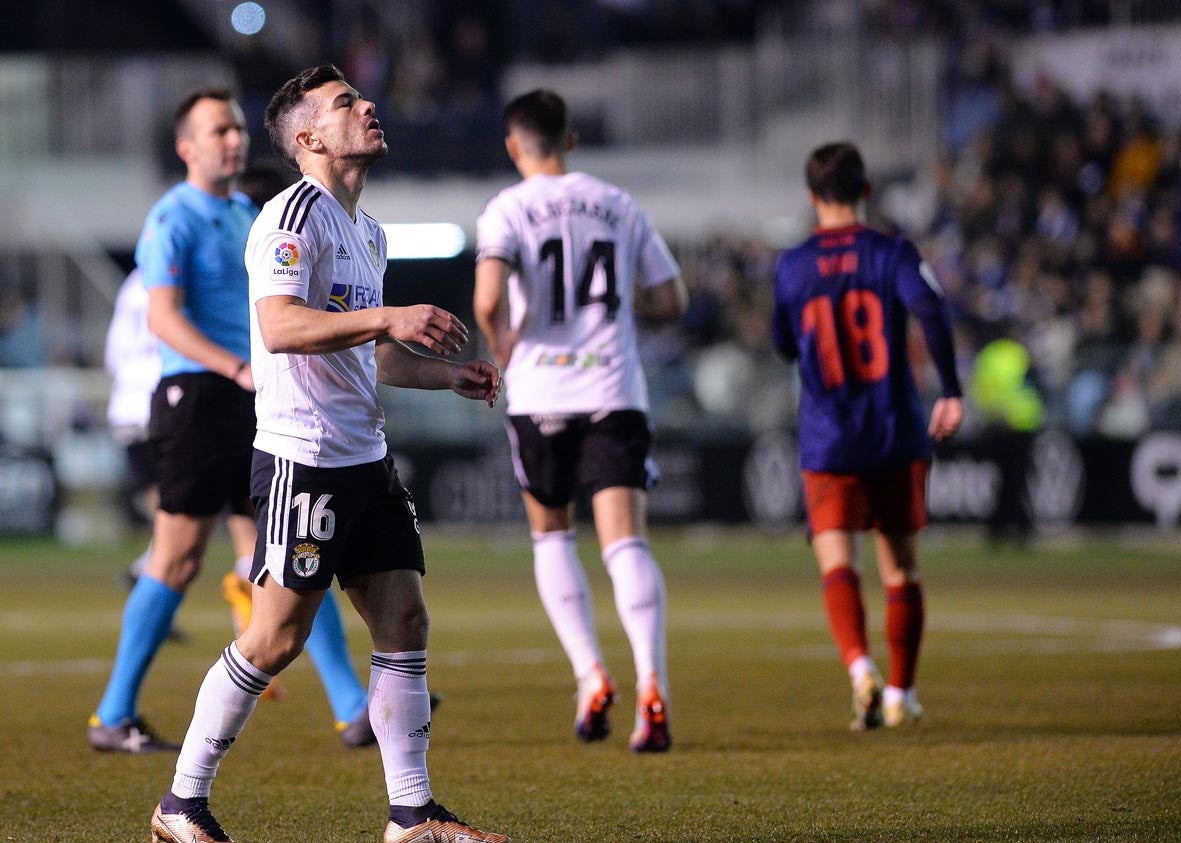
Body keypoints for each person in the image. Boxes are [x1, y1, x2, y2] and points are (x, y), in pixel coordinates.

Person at [148, 65, 508, 843]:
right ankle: (181, 802)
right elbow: (279, 326)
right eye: (347, 103)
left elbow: (370, 356)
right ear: (308, 138)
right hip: (303, 459)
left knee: (404, 616)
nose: (368, 106)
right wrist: (389, 315)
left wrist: (448, 376)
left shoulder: (366, 229)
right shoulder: (290, 216)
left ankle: (410, 814)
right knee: (276, 637)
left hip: (364, 457)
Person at [89, 91, 376, 754]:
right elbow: (163, 318)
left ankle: (351, 706)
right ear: (187, 146)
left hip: (252, 399)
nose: (233, 140)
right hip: (197, 400)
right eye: (218, 130)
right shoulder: (173, 216)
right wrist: (235, 367)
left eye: (238, 128)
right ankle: (113, 712)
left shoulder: (250, 211)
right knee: (178, 557)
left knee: (287, 552)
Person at [473, 89, 687, 753]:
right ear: (570, 140)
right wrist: (626, 310)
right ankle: (651, 684)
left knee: (552, 538)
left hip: (541, 392)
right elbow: (671, 297)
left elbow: (486, 299)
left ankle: (589, 671)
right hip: (611, 386)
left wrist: (502, 344)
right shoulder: (618, 205)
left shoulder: (506, 207)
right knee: (625, 542)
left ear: (514, 146)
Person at [771, 141, 963, 731]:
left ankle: (861, 671)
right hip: (894, 427)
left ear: (811, 196)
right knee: (900, 566)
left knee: (836, 562)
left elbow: (782, 344)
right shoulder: (892, 252)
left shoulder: (793, 264)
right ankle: (902, 694)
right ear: (867, 191)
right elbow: (929, 308)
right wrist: (951, 389)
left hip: (828, 434)